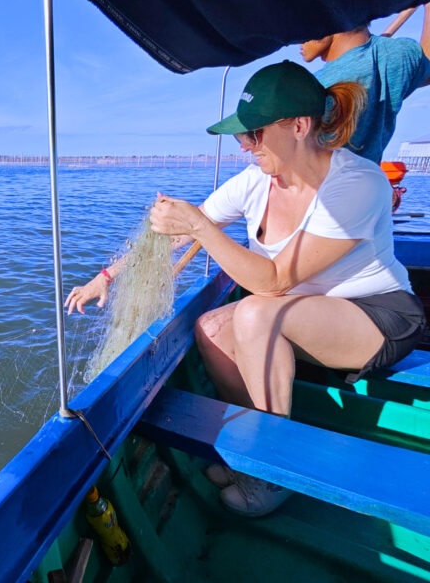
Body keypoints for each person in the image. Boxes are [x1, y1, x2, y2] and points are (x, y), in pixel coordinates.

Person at [65, 60, 426, 517]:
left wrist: (200, 225)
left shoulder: (358, 183)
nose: (243, 146)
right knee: (212, 326)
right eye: (240, 136)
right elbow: (178, 235)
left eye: (253, 134)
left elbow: (274, 281)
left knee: (257, 312)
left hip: (377, 315)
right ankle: (254, 449)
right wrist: (107, 277)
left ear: (298, 126)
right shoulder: (258, 180)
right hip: (302, 310)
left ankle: (273, 469)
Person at [300, 3, 430, 163]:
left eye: (302, 23)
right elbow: (427, 65)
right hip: (369, 184)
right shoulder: (397, 55)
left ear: (329, 19)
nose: (297, 37)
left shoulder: (314, 89)